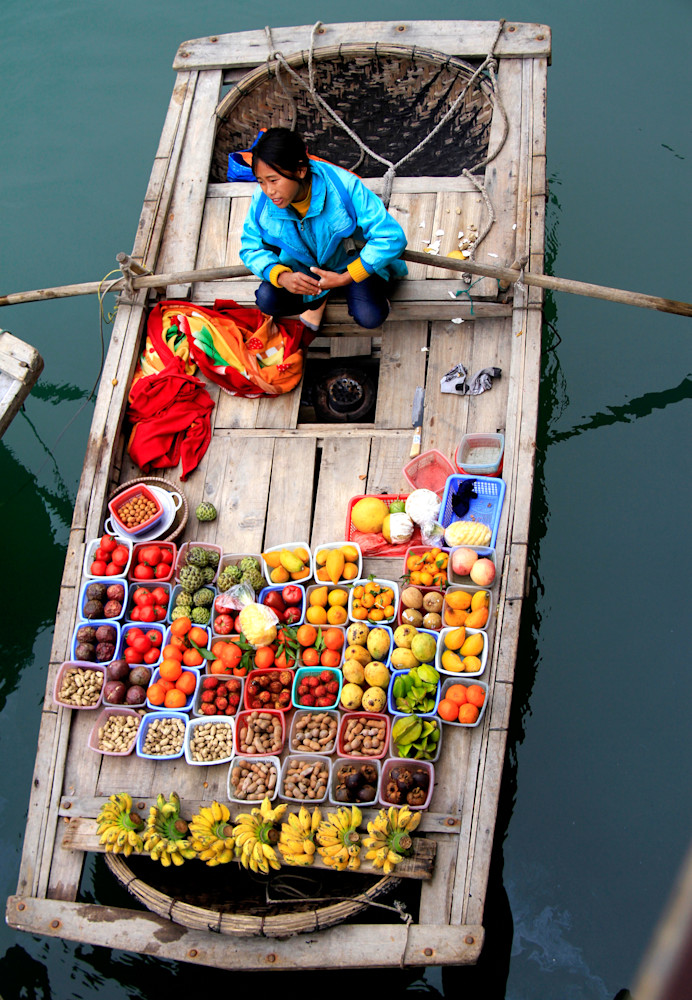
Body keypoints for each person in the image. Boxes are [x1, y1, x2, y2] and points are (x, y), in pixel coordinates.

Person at [239, 128, 408, 330]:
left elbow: (391, 237)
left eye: (274, 180)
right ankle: (317, 301)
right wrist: (283, 276)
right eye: (261, 182)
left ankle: (347, 293)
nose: (269, 190)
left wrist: (345, 277)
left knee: (370, 316)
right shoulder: (262, 202)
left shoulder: (344, 187)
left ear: (300, 170)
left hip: (350, 265)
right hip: (306, 271)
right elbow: (251, 248)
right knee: (267, 300)